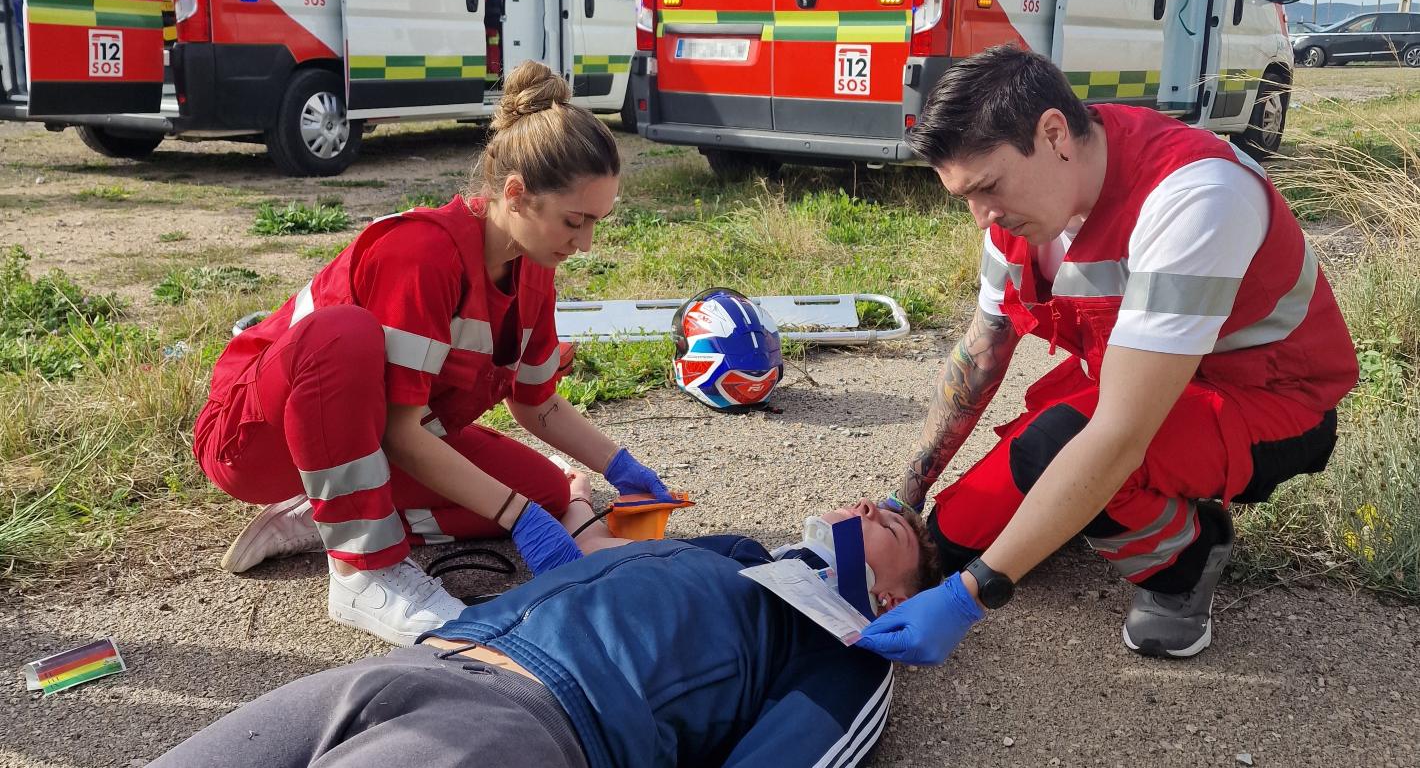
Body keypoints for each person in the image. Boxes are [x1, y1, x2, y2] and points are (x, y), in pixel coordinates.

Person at [858, 45, 1357, 665]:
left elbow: (1118, 432)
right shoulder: (1019, 213)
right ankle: (1045, 524)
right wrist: (911, 498)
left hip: (1272, 402)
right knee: (962, 526)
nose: (982, 217)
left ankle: (1186, 563)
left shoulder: (1194, 194)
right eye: (965, 197)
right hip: (1153, 377)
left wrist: (969, 597)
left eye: (987, 188)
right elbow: (981, 354)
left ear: (1054, 134)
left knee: (1066, 453)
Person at [191, 62, 674, 646]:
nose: (586, 243)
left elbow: (537, 405)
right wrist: (517, 518)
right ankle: (361, 571)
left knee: (547, 490)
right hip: (252, 438)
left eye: (597, 222)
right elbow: (402, 433)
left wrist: (620, 468)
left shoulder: (533, 269)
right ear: (516, 194)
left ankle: (321, 514)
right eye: (575, 221)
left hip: (367, 437)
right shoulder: (423, 254)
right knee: (342, 333)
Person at [148, 472, 940, 768]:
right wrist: (570, 507)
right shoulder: (733, 553)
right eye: (875, 499)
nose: (872, 504)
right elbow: (600, 567)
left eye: (894, 526)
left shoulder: (848, 650)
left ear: (898, 599)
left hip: (530, 721)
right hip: (419, 664)